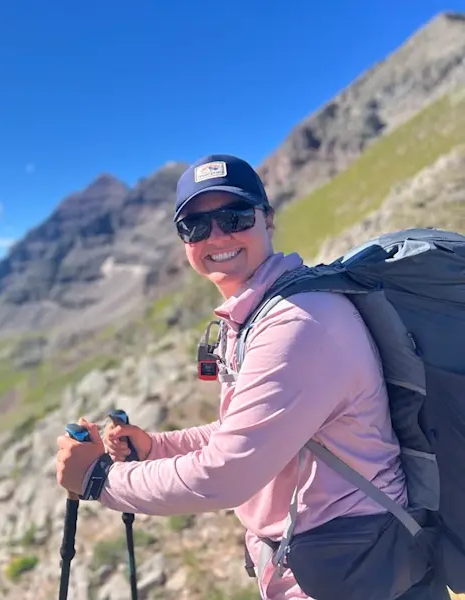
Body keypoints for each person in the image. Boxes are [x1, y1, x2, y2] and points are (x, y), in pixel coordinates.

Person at [55, 154, 448, 599]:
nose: (217, 235)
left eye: (234, 216)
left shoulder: (299, 322)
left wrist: (99, 479)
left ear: (268, 220)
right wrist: (155, 448)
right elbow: (243, 430)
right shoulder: (259, 314)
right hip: (336, 568)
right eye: (195, 226)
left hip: (360, 575)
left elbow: (224, 476)